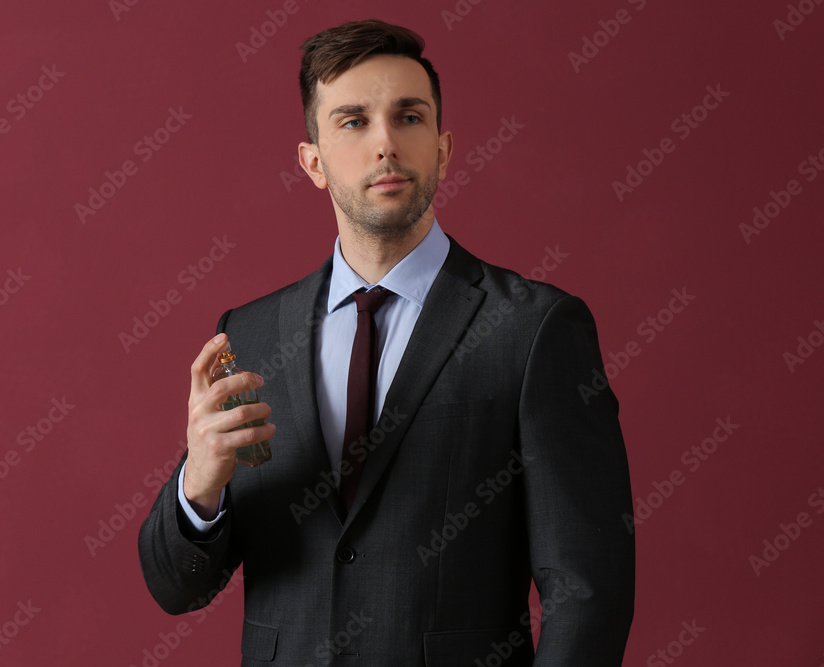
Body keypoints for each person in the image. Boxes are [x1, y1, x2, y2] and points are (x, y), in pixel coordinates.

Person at [138, 18, 634, 666]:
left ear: (444, 148)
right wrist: (199, 486)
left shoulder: (535, 329)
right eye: (353, 120)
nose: (386, 144)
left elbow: (588, 592)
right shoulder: (250, 336)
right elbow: (174, 587)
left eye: (408, 117)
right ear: (312, 161)